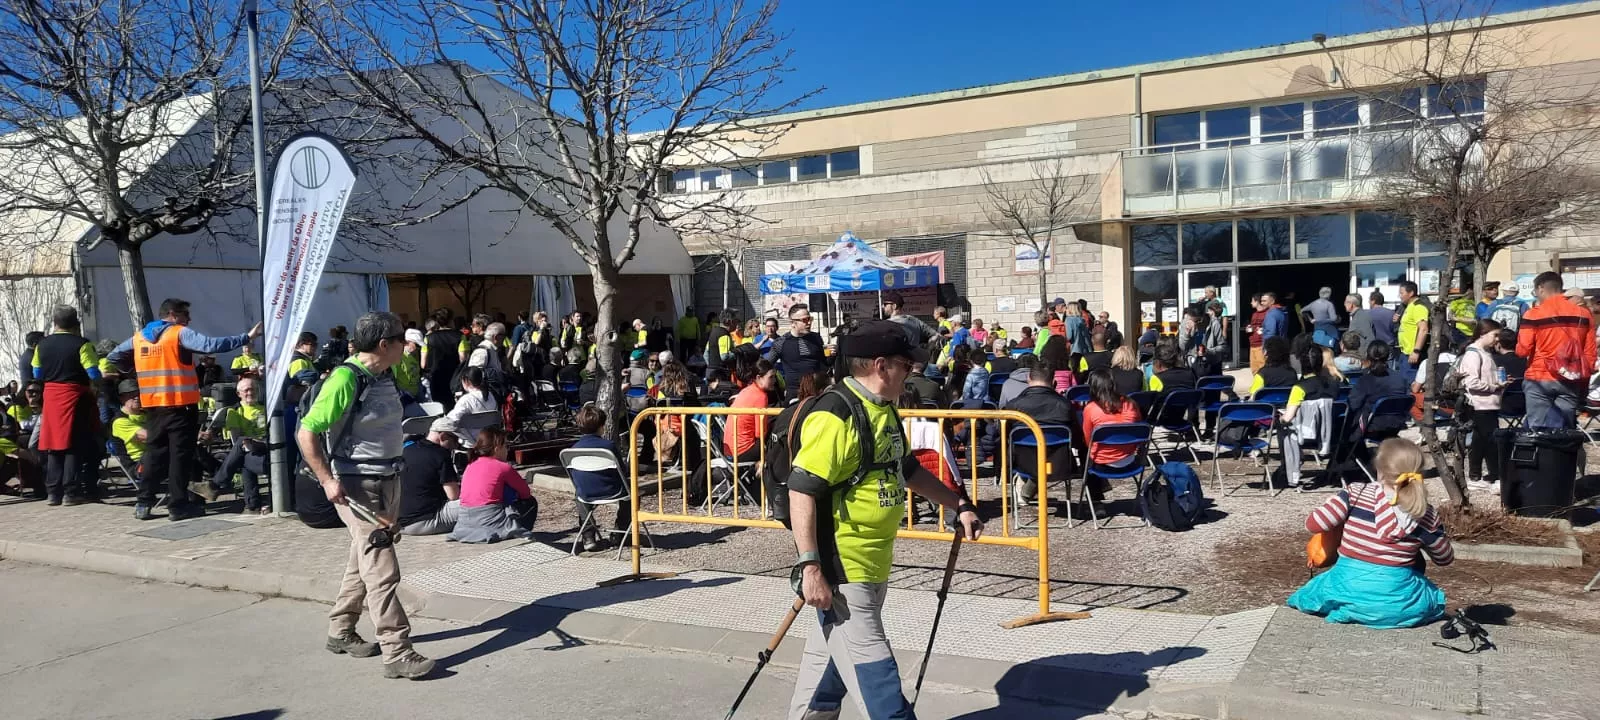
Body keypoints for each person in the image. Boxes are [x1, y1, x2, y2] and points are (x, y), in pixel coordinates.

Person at [785, 320, 982, 720]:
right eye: (905, 364)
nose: (912, 371)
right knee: (882, 691)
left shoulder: (885, 410)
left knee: (827, 679)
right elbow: (801, 489)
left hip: (874, 566)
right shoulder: (835, 415)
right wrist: (810, 566)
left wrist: (958, 503)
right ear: (880, 365)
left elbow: (906, 469)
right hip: (844, 571)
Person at [296, 311, 433, 679]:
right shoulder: (345, 378)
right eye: (403, 338)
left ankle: (340, 631)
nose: (409, 343)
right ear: (385, 344)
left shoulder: (386, 373)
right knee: (382, 569)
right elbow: (306, 433)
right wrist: (327, 480)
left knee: (364, 558)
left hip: (389, 478)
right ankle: (397, 651)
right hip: (357, 485)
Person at [108, 298, 259, 521]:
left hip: (153, 407)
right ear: (172, 314)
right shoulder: (178, 333)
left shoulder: (139, 338)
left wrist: (134, 370)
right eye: (185, 315)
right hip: (180, 406)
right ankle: (177, 506)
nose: (189, 319)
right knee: (180, 458)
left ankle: (143, 503)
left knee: (154, 455)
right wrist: (247, 337)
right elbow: (211, 346)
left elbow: (113, 357)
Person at [1287, 438, 1452, 629]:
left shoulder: (1356, 493)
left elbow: (1313, 525)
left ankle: (1351, 608)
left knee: (1307, 595)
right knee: (1432, 598)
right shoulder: (1425, 512)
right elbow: (1445, 558)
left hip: (1344, 585)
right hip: (1396, 602)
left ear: (1379, 469)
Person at [32, 306, 103, 505]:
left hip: (51, 396)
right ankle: (71, 492)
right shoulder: (82, 344)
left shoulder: (41, 345)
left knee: (54, 444)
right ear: (76, 323)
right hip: (75, 396)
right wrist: (97, 385)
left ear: (55, 322)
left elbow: (37, 373)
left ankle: (53, 492)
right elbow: (93, 373)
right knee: (73, 444)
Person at [1516, 271, 1596, 428]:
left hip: (1539, 376)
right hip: (1570, 376)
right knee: (1565, 426)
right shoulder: (1584, 314)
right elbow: (1590, 350)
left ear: (1540, 288)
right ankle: (1562, 452)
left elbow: (1522, 350)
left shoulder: (1533, 314)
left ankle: (1540, 452)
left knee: (1537, 427)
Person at [1004, 362, 1084, 506]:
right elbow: (1077, 438)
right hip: (1058, 463)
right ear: (1054, 382)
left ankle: (1027, 489)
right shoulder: (1065, 406)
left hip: (1023, 463)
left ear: (1028, 378)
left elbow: (1004, 436)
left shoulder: (1013, 406)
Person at [447, 426, 537, 544]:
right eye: (506, 446)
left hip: (465, 521)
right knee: (530, 503)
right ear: (497, 448)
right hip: (490, 520)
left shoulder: (470, 465)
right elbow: (525, 493)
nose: (507, 450)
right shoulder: (503, 467)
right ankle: (520, 533)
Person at [568, 404, 634, 552]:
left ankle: (588, 535)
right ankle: (621, 531)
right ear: (601, 426)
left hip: (586, 492)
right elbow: (622, 471)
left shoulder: (572, 450)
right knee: (632, 493)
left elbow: (574, 475)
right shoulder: (608, 446)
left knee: (579, 495)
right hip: (612, 490)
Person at [202, 376, 270, 514]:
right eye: (246, 390)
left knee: (242, 456)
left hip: (268, 447)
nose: (250, 393)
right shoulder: (234, 412)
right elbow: (236, 440)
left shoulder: (267, 408)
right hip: (251, 452)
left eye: (252, 389)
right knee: (243, 454)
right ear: (239, 394)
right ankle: (252, 505)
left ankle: (215, 485)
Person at [1278, 345, 1342, 487]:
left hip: (1305, 436)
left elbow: (1287, 418)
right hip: (1331, 434)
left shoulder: (1299, 388)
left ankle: (1290, 471)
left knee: (1284, 426)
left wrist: (1280, 418)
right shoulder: (1334, 385)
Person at [1456, 325, 1505, 495]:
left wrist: (1499, 385)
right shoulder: (1473, 354)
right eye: (1495, 335)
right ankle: (1490, 476)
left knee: (1481, 441)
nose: (1497, 339)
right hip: (1479, 404)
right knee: (1489, 441)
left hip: (1489, 403)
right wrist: (1494, 386)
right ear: (1483, 333)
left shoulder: (1485, 353)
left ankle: (1478, 476)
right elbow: (1471, 382)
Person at [397, 423, 460, 536]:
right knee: (479, 504)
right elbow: (453, 496)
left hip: (400, 522)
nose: (457, 445)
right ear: (443, 436)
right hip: (427, 520)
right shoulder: (441, 455)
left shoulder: (406, 449)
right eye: (455, 439)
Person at [1348, 341, 1409, 437]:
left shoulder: (1365, 380)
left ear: (1368, 356)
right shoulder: (1400, 378)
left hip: (1372, 426)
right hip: (1396, 424)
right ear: (1388, 356)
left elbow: (1353, 405)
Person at [766, 304, 825, 400]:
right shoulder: (781, 342)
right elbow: (766, 365)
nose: (809, 323)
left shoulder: (816, 338)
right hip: (795, 394)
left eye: (810, 319)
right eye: (805, 320)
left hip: (817, 393)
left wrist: (833, 356)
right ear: (792, 322)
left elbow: (824, 364)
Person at [726, 359, 778, 465]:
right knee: (777, 447)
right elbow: (760, 433)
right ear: (759, 378)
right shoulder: (761, 397)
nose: (775, 381)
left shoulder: (746, 390)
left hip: (729, 450)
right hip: (743, 451)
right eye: (771, 377)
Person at [439, 367, 499, 448]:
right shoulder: (491, 396)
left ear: (466, 381)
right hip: (490, 441)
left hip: (470, 445)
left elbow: (450, 421)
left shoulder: (466, 400)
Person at [422, 311, 461, 411]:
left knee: (438, 407)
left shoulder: (428, 338)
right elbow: (463, 359)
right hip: (454, 377)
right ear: (451, 321)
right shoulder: (460, 336)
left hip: (436, 378)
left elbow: (423, 364)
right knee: (454, 408)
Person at [1396, 281, 1430, 387]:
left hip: (1412, 354)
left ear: (1410, 293)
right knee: (1402, 383)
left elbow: (1423, 329)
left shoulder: (1418, 307)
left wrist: (1416, 351)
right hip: (1404, 352)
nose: (1399, 296)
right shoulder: (1408, 307)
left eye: (1402, 293)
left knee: (1410, 384)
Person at [703, 310, 737, 381]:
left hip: (710, 372)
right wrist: (736, 352)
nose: (736, 324)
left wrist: (711, 366)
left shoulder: (714, 332)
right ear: (729, 321)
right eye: (735, 321)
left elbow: (705, 354)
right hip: (721, 374)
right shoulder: (724, 335)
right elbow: (724, 357)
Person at [394, 329, 423, 399]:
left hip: (417, 390)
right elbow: (393, 379)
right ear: (408, 342)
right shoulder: (397, 357)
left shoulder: (413, 354)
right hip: (405, 395)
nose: (418, 348)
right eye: (417, 345)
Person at [1245, 294, 1268, 373]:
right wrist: (1248, 328)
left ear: (1257, 302)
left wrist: (1262, 330)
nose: (1251, 303)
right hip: (1252, 344)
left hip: (1261, 345)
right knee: (1254, 369)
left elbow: (1268, 328)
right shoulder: (1254, 314)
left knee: (1262, 368)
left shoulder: (1267, 313)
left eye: (1252, 301)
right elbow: (1253, 327)